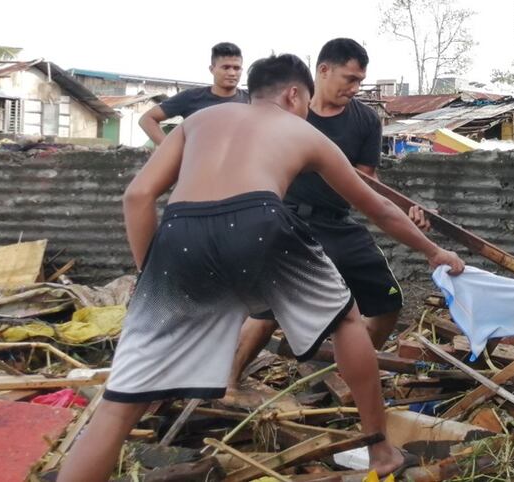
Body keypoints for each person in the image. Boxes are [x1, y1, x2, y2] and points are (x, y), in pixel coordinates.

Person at [57, 54, 464, 482]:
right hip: (258, 220)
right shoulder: (302, 131)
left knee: (120, 404)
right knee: (346, 321)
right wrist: (434, 251)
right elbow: (378, 208)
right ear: (293, 94)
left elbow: (137, 197)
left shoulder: (199, 121)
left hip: (179, 232)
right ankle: (380, 451)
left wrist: (152, 280)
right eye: (305, 102)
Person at [228, 39, 420, 390]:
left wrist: (407, 211)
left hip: (337, 223)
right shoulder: (288, 108)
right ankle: (226, 383)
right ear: (323, 70)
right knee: (269, 310)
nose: (355, 88)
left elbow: (367, 181)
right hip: (286, 219)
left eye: (360, 80)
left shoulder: (364, 120)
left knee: (387, 302)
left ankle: (348, 374)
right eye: (349, 78)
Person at [139, 42, 250, 145]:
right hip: (199, 164)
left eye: (236, 68)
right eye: (225, 67)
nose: (232, 73)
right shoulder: (191, 97)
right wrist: (170, 151)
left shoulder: (252, 99)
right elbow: (147, 119)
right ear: (212, 69)